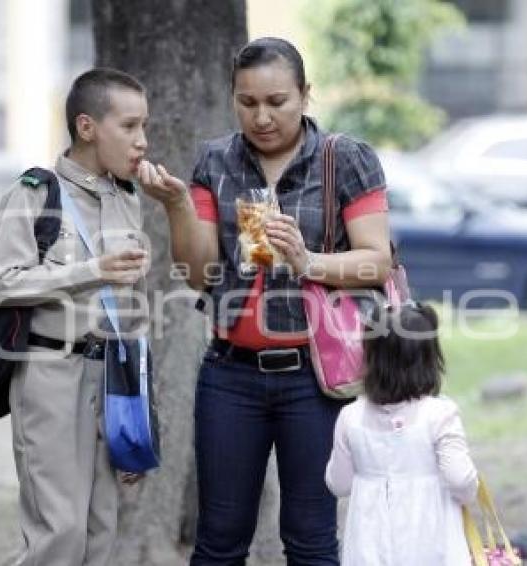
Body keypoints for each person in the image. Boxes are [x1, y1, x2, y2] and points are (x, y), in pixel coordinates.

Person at [138, 37, 392, 564]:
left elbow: (376, 261)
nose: (261, 116)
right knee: (219, 542)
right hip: (230, 375)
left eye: (277, 101)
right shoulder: (216, 159)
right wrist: (178, 206)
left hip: (315, 380)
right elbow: (197, 272)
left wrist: (309, 263)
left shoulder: (344, 158)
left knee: (311, 541)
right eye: (247, 102)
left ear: (305, 94)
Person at [0, 68, 151, 566]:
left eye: (145, 127)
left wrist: (141, 415)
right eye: (130, 126)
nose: (142, 141)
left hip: (112, 379)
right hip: (50, 375)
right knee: (60, 533)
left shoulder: (127, 201)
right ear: (87, 126)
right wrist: (89, 271)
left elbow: (134, 313)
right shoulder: (34, 193)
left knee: (102, 532)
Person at [325, 303, 479, 566]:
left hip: (368, 547)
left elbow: (338, 484)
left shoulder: (350, 417)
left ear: (370, 355)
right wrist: (470, 490)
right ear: (429, 358)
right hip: (433, 543)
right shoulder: (440, 414)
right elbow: (460, 479)